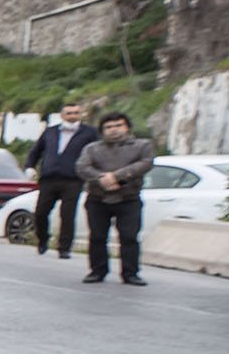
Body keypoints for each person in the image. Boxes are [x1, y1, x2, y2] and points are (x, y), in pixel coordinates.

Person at [77, 111, 154, 286]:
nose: (114, 130)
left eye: (118, 125)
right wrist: (102, 178)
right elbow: (82, 167)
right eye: (109, 127)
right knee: (97, 236)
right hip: (98, 198)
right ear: (102, 130)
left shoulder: (142, 145)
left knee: (129, 237)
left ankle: (130, 273)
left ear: (127, 127)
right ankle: (97, 271)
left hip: (128, 198)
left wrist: (117, 177)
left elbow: (145, 164)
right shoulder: (92, 148)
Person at [25, 100, 94, 258]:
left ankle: (64, 247)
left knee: (67, 214)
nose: (72, 116)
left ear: (80, 114)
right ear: (62, 115)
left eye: (76, 113)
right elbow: (36, 151)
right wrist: (30, 166)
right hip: (49, 178)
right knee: (41, 212)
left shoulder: (89, 133)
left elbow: (96, 153)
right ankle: (43, 239)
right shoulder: (50, 131)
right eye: (69, 113)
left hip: (73, 179)